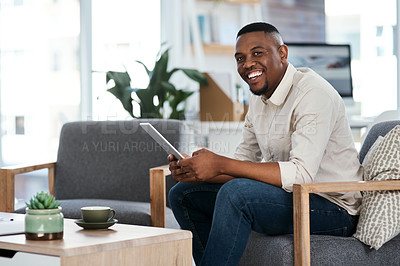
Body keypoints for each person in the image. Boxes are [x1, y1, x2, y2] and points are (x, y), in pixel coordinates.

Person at [168, 22, 363, 266]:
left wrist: (220, 164)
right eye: (240, 58)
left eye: (257, 53)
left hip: (334, 209)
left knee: (236, 194)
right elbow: (242, 163)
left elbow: (301, 174)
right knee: (184, 194)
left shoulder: (313, 94)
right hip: (291, 198)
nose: (247, 64)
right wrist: (199, 169)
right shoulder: (259, 100)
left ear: (282, 53)